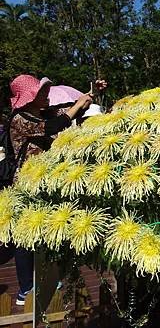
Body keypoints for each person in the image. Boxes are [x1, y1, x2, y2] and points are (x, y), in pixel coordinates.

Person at [7, 74, 96, 306]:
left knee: (45, 230)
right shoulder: (20, 118)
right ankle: (26, 288)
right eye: (41, 94)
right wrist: (76, 107)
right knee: (25, 237)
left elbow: (73, 112)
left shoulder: (41, 112)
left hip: (43, 181)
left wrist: (91, 93)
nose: (46, 96)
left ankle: (46, 278)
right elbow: (53, 126)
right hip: (25, 183)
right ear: (29, 98)